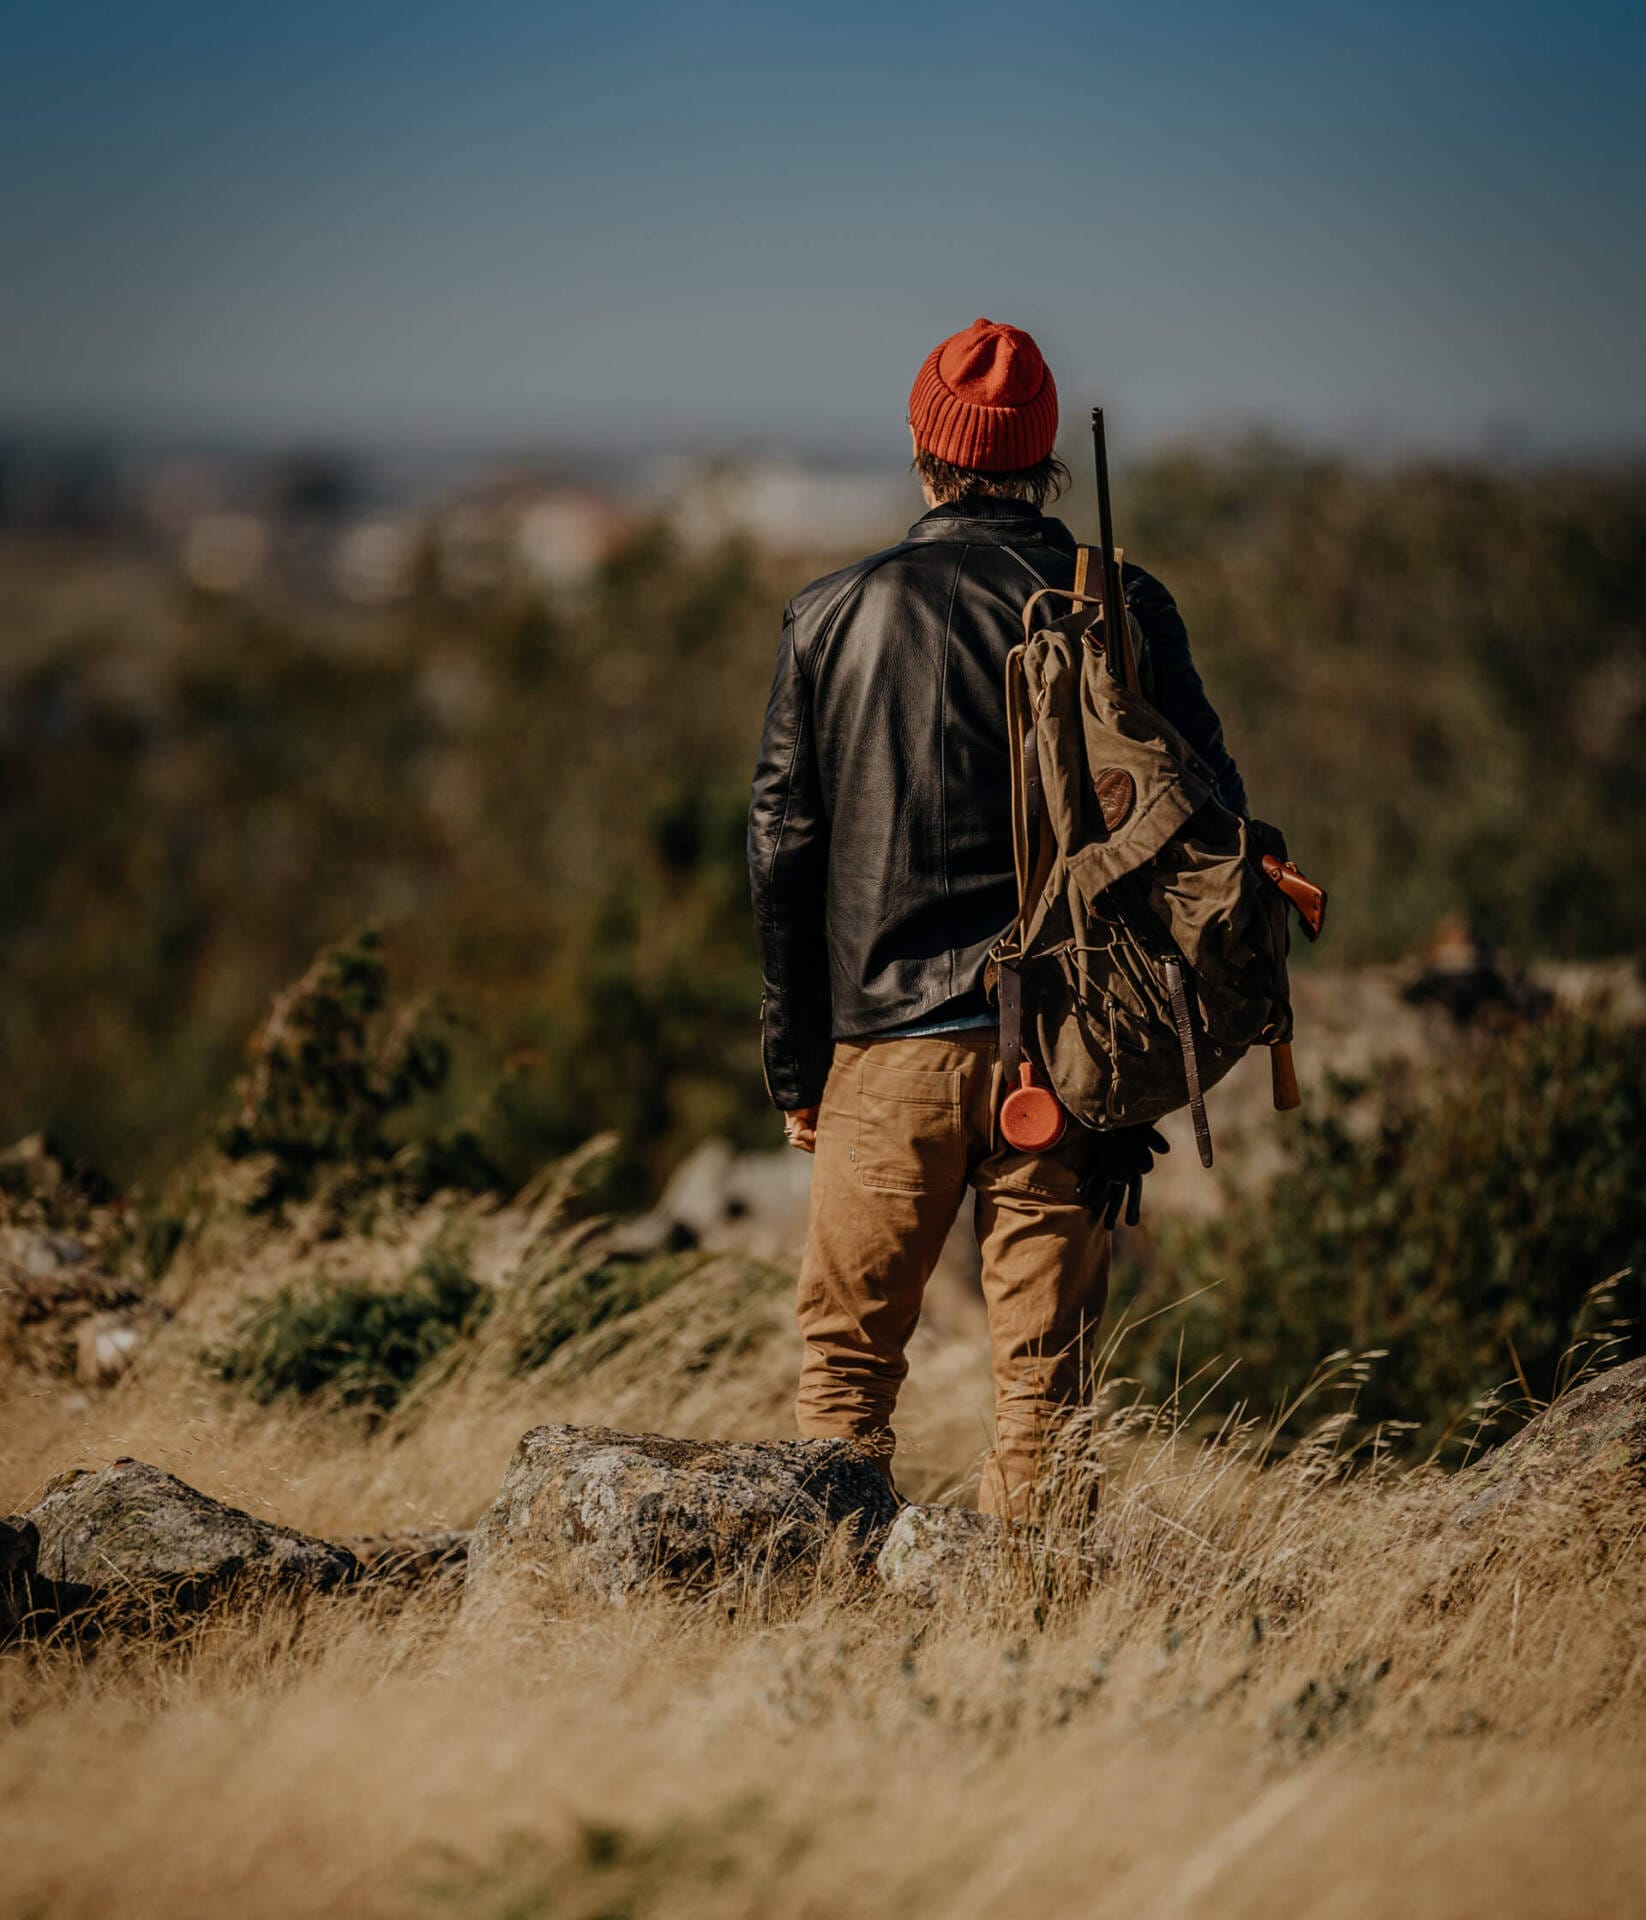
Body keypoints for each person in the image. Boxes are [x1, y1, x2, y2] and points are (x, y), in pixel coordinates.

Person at [747, 317, 1247, 1515]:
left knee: (846, 1376)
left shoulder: (830, 614)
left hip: (883, 1056)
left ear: (924, 453)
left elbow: (781, 848)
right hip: (1067, 1055)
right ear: (1042, 467)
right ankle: (1035, 1645)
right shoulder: (1116, 604)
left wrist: (794, 1063)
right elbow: (1211, 811)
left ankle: (829, 1631)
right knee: (1042, 1400)